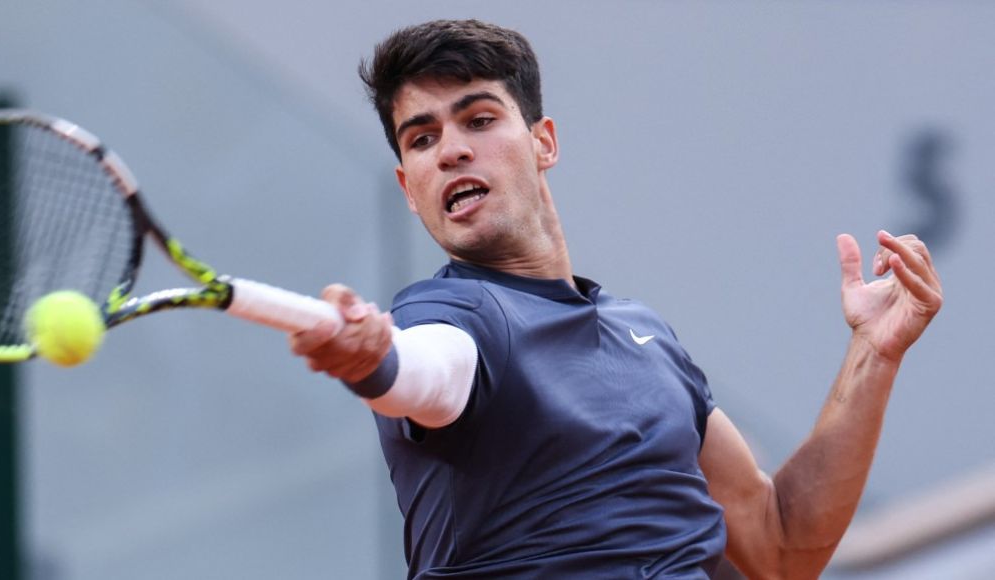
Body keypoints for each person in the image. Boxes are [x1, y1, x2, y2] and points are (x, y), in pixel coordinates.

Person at [289, 19, 943, 579]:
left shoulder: (645, 337)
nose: (452, 150)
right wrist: (376, 362)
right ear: (409, 185)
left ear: (544, 142)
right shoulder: (450, 316)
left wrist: (874, 352)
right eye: (422, 138)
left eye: (478, 119)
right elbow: (428, 369)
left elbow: (776, 546)